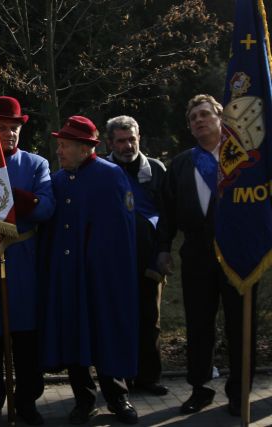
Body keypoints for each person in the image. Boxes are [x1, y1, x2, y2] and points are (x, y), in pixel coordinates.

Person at [156, 94, 257, 416]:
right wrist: (162, 249)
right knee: (199, 327)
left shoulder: (243, 157)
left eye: (204, 114)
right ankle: (200, 389)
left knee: (241, 325)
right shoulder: (183, 163)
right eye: (193, 118)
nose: (198, 120)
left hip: (239, 255)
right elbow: (167, 212)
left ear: (219, 118)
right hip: (197, 256)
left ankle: (240, 393)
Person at [40, 115, 139, 425]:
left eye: (65, 145)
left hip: (102, 275)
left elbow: (123, 229)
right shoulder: (56, 180)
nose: (60, 151)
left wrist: (110, 269)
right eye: (59, 145)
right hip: (67, 275)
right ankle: (84, 400)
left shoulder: (110, 176)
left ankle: (117, 397)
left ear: (85, 148)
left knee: (105, 330)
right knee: (74, 335)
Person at [0, 96, 55, 426]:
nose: (10, 134)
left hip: (23, 261)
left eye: (15, 128)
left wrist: (8, 195)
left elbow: (46, 208)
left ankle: (28, 402)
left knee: (26, 341)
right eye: (2, 128)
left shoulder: (36, 165)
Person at [105, 115, 169, 396]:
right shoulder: (102, 170)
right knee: (118, 319)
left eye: (132, 139)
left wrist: (163, 251)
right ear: (110, 143)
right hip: (113, 262)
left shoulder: (156, 170)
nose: (128, 145)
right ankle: (121, 379)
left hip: (149, 259)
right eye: (121, 140)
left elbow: (167, 215)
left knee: (149, 319)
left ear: (139, 138)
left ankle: (149, 378)